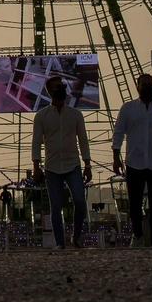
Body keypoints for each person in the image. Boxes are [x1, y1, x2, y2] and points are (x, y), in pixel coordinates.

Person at [111, 72, 152, 248]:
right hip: (134, 162)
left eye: (151, 84)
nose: (148, 88)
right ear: (138, 87)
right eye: (144, 85)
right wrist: (115, 158)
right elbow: (118, 133)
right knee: (134, 203)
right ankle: (138, 234)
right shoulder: (128, 109)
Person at [32, 74, 91, 249]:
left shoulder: (75, 115)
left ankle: (77, 236)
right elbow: (36, 142)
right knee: (55, 206)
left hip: (72, 164)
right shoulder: (42, 116)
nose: (62, 90)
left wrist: (87, 164)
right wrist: (36, 166)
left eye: (63, 87)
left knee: (80, 201)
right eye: (58, 88)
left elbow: (83, 140)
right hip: (52, 166)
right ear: (49, 92)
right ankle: (60, 242)